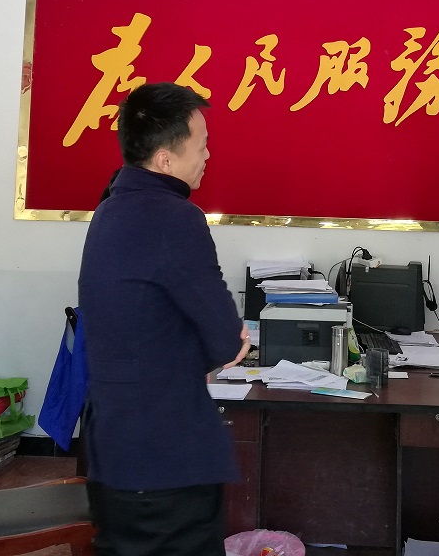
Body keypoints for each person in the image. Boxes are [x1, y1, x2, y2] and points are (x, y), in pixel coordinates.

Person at [78, 82, 250, 556]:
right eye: (202, 145)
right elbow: (225, 340)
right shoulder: (175, 218)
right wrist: (223, 340)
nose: (208, 155)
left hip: (116, 447)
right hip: (164, 454)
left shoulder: (111, 208)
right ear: (165, 159)